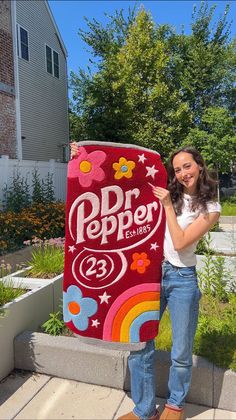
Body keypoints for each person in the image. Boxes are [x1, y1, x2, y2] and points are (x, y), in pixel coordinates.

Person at [70, 143, 220, 420]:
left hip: (182, 278)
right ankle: (145, 410)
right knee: (139, 343)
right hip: (148, 274)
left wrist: (166, 207)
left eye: (187, 166)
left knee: (181, 350)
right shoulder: (167, 193)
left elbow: (180, 241)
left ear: (199, 165)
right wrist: (85, 157)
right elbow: (122, 180)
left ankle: (175, 405)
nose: (183, 173)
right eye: (177, 169)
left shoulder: (210, 207)